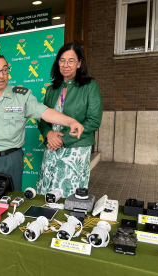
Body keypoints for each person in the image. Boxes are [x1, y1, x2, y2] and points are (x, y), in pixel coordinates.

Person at [0, 55, 84, 191]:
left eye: (5, 70)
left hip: (10, 160)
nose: (2, 75)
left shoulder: (22, 97)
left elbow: (46, 113)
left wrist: (71, 122)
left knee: (9, 202)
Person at [36, 42, 103, 197]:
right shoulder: (52, 89)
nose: (66, 65)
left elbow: (93, 120)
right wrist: (48, 134)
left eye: (71, 60)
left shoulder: (90, 86)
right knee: (47, 191)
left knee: (69, 194)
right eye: (62, 60)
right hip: (52, 147)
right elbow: (42, 117)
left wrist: (63, 139)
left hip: (76, 149)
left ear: (79, 63)